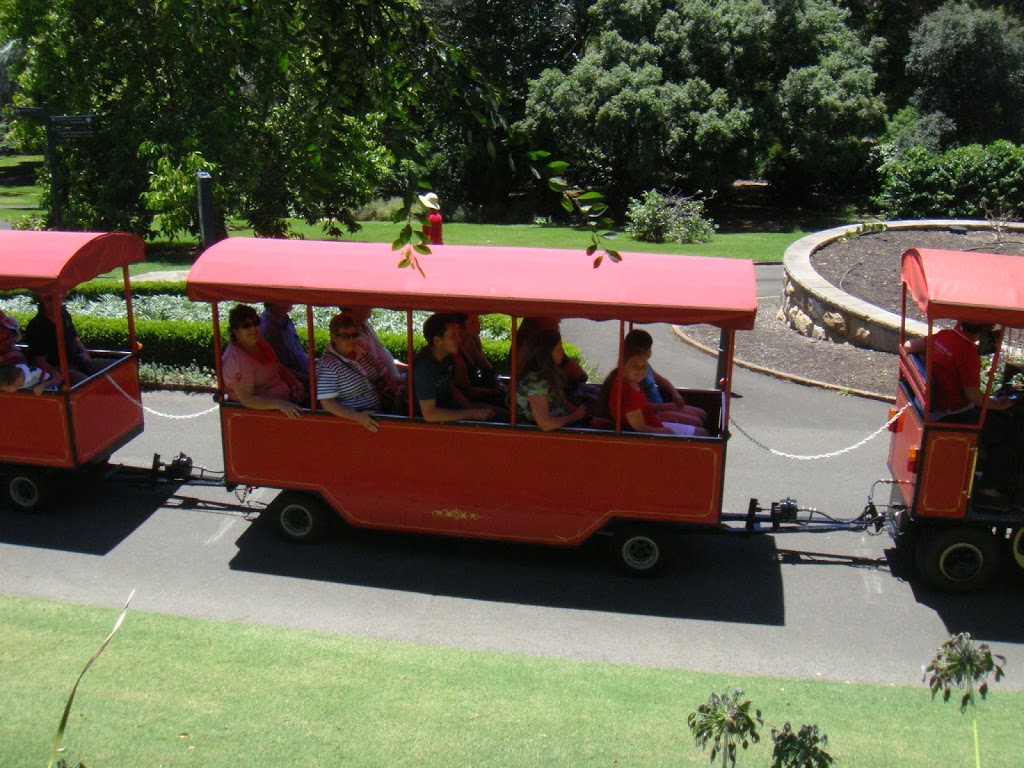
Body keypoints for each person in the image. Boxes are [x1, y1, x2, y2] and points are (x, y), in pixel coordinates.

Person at [903, 322, 1015, 501]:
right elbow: (974, 397)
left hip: (933, 406)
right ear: (984, 331)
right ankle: (991, 488)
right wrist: (1000, 404)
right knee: (1007, 428)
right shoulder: (967, 352)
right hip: (951, 413)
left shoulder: (944, 336)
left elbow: (908, 346)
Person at [606, 345, 709, 437]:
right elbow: (640, 428)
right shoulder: (628, 391)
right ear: (624, 366)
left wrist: (668, 405)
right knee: (703, 433)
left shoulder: (632, 383)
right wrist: (665, 432)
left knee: (701, 422)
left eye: (644, 366)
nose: (640, 371)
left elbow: (642, 408)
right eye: (635, 366)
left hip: (654, 422)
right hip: (651, 434)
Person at [222, 304, 304, 418]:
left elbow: (278, 367)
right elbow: (247, 399)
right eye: (246, 326)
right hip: (267, 415)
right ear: (235, 331)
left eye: (256, 323)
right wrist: (280, 404)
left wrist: (296, 382)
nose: (253, 328)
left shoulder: (261, 344)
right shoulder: (235, 359)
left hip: (287, 400)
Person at [413, 313, 495, 423]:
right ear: (437, 341)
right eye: (453, 336)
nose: (460, 339)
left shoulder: (447, 357)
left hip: (449, 409)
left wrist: (472, 408)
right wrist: (474, 414)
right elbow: (430, 414)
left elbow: (452, 388)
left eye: (459, 334)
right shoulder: (424, 367)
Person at [314, 313, 386, 432]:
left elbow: (381, 370)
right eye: (345, 336)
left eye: (354, 335)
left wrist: (396, 392)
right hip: (356, 425)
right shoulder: (328, 366)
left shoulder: (362, 353)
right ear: (333, 337)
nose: (351, 340)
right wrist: (358, 417)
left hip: (378, 413)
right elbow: (327, 403)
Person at [623, 328, 707, 428]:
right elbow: (638, 406)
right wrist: (668, 406)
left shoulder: (643, 365)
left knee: (702, 414)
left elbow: (660, 379)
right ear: (644, 351)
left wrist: (675, 394)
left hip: (661, 407)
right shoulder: (631, 374)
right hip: (652, 414)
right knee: (697, 422)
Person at [515, 329, 589, 431]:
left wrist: (582, 413)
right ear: (547, 354)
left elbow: (561, 402)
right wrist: (575, 416)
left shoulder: (547, 376)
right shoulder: (537, 382)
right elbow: (546, 424)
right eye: (559, 349)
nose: (562, 353)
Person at [24, 297, 96, 385]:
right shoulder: (37, 325)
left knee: (111, 367)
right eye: (49, 299)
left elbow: (75, 338)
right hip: (57, 367)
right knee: (88, 384)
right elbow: (39, 360)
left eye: (59, 298)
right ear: (41, 299)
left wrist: (84, 352)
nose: (55, 303)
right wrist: (55, 375)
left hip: (76, 360)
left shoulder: (64, 315)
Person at [451, 312, 506, 407]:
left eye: (478, 321)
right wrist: (495, 392)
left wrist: (498, 383)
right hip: (467, 402)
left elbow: (486, 365)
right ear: (460, 327)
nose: (478, 326)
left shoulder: (473, 341)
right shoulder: (455, 353)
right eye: (472, 323)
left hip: (482, 391)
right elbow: (467, 390)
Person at [347, 306, 404, 385]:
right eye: (368, 307)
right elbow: (372, 366)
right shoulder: (352, 340)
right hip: (383, 386)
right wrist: (392, 385)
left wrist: (405, 367)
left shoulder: (366, 325)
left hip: (395, 378)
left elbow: (380, 353)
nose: (371, 312)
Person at [260, 303, 311, 388]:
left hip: (305, 370)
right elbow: (278, 368)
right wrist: (308, 378)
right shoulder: (269, 328)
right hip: (293, 384)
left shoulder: (284, 319)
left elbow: (297, 352)